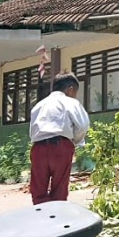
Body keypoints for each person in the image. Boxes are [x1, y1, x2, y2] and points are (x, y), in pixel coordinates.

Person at [28, 73, 89, 205]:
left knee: (38, 189)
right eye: (75, 92)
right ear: (70, 89)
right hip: (61, 146)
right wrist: (75, 142)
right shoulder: (71, 102)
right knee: (60, 188)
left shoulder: (39, 105)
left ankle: (41, 216)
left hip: (38, 148)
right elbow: (83, 126)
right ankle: (57, 217)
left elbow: (32, 130)